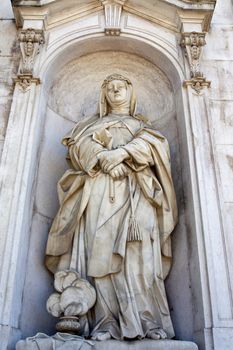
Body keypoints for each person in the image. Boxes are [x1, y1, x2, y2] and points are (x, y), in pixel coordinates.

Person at [45, 74, 178, 341]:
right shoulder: (89, 125)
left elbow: (157, 148)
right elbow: (77, 148)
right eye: (110, 87)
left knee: (140, 255)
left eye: (121, 87)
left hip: (138, 193)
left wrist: (122, 153)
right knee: (100, 252)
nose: (116, 91)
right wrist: (103, 157)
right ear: (103, 95)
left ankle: (147, 319)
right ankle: (106, 322)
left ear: (132, 93)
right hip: (99, 192)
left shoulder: (143, 127)